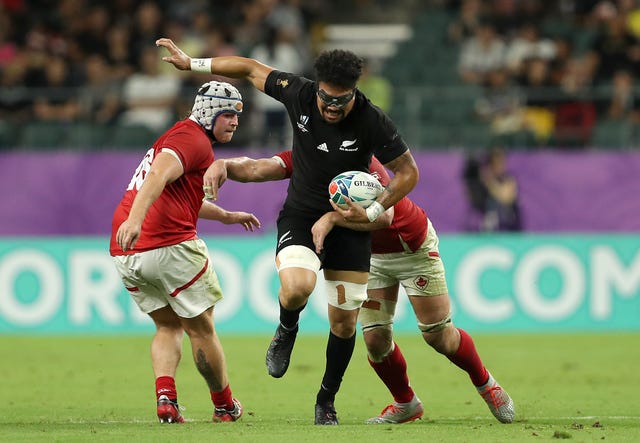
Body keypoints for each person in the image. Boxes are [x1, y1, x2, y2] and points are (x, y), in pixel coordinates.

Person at [156, 37, 420, 425]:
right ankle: (286, 328)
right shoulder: (298, 93)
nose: (331, 108)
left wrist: (375, 208)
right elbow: (248, 67)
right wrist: (193, 62)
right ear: (318, 88)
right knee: (296, 288)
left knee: (344, 323)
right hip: (299, 214)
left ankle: (326, 400)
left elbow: (409, 172)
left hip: (348, 224)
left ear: (354, 94)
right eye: (326, 99)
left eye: (340, 101)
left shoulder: (372, 120)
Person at [207, 150, 516, 425]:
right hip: (372, 256)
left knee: (437, 335)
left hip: (412, 247)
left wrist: (331, 219)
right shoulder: (309, 153)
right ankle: (406, 402)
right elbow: (261, 166)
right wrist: (223, 164)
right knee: (376, 342)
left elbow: (387, 216)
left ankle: (485, 382)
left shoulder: (365, 163)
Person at [109, 80, 260, 424]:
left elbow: (173, 192)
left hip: (125, 251)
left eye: (238, 115)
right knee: (202, 329)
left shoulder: (178, 137)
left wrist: (224, 215)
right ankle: (224, 406)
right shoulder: (191, 139)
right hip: (165, 244)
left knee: (167, 326)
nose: (235, 122)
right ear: (208, 113)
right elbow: (158, 176)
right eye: (227, 115)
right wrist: (136, 220)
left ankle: (166, 400)